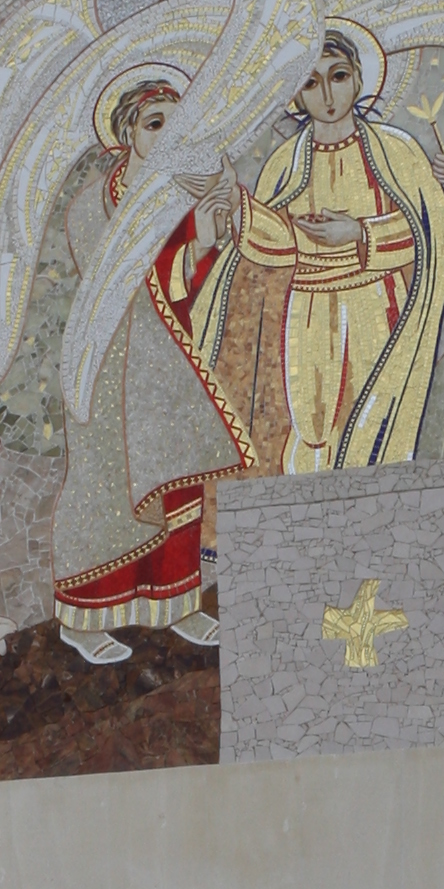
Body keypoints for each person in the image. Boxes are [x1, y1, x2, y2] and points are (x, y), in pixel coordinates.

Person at [51, 71, 253, 667]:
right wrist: (189, 247)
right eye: (155, 123)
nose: (167, 135)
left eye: (176, 123)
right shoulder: (95, 203)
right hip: (109, 368)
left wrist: (209, 232)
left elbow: (194, 278)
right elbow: (110, 279)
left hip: (167, 361)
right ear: (127, 134)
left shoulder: (179, 192)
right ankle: (83, 618)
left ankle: (177, 603)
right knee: (105, 490)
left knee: (179, 477)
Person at [195, 24, 444, 475]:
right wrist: (238, 204)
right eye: (311, 84)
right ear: (296, 97)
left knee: (371, 415)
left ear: (358, 78)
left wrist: (358, 233)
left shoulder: (396, 151)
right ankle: (310, 526)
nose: (327, 95)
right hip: (308, 309)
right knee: (312, 424)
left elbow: (427, 234)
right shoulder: (286, 162)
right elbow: (274, 244)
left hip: (375, 302)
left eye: (337, 76)